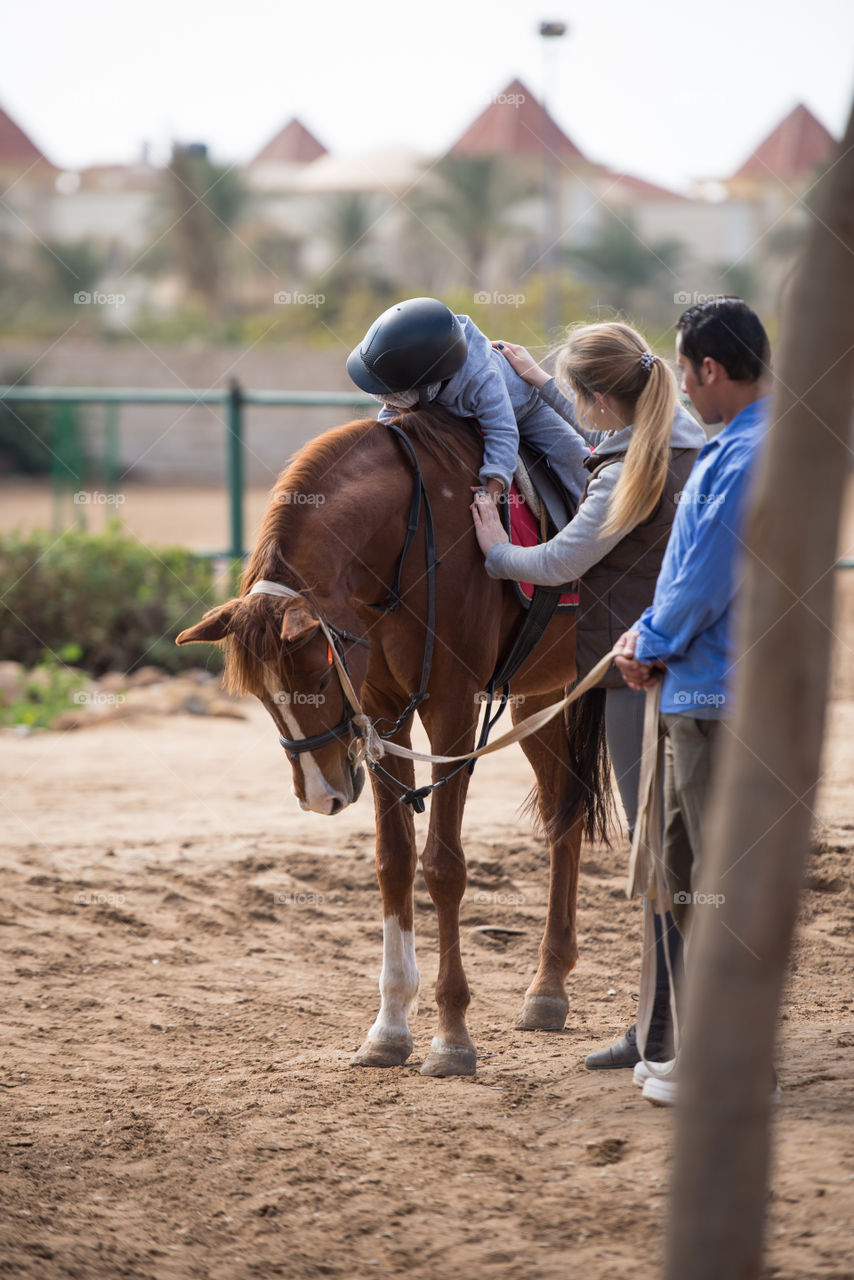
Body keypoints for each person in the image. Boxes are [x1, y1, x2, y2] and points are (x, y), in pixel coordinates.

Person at [470, 320, 706, 1067]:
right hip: (702, 668)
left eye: (583, 399)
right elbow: (605, 440)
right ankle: (675, 1022)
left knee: (658, 856)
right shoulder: (686, 433)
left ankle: (664, 1033)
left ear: (603, 398)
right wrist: (544, 388)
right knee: (686, 851)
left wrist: (494, 550)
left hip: (637, 672)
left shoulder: (624, 474)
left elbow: (562, 559)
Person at [613, 297, 773, 1106]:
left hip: (714, 689)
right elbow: (689, 572)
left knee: (712, 872)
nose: (680, 385)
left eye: (683, 370)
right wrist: (649, 633)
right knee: (686, 867)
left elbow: (707, 576)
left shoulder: (749, 456)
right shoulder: (739, 446)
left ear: (711, 369)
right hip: (699, 681)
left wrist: (646, 641)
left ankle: (735, 1065)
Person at [346, 296, 592, 506]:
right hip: (465, 415)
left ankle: (592, 515)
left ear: (428, 390)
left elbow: (502, 430)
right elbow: (391, 418)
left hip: (525, 411)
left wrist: (494, 486)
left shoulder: (483, 378)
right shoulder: (419, 378)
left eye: (394, 400)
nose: (388, 408)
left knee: (572, 452)